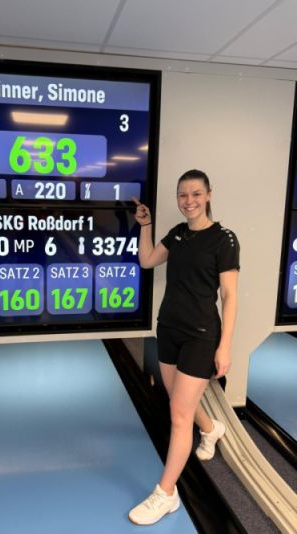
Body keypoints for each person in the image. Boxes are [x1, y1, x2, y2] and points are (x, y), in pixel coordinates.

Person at [128, 169, 240, 526]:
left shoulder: (224, 239)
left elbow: (230, 296)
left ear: (208, 195)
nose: (188, 201)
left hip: (201, 336)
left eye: (195, 194)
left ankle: (166, 494)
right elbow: (147, 260)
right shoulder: (177, 234)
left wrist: (225, 347)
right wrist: (145, 225)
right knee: (179, 401)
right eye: (182, 195)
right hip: (169, 330)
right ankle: (211, 428)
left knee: (178, 414)